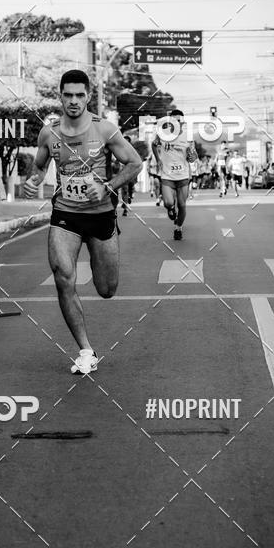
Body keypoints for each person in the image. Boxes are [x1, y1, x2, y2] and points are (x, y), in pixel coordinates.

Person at [24, 69, 142, 374]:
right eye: (68, 95)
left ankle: (89, 338)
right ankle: (86, 350)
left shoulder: (105, 130)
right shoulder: (48, 133)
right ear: (60, 96)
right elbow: (38, 167)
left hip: (101, 214)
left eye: (79, 95)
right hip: (65, 215)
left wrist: (107, 186)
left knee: (107, 289)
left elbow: (134, 163)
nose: (74, 101)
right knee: (63, 276)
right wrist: (32, 181)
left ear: (88, 96)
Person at [151, 109, 198, 241]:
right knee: (168, 202)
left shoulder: (188, 137)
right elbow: (153, 145)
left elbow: (193, 157)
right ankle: (171, 209)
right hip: (167, 175)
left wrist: (192, 155)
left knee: (182, 205)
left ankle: (178, 228)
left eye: (179, 120)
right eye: (174, 120)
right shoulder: (163, 134)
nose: (177, 122)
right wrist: (158, 160)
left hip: (183, 176)